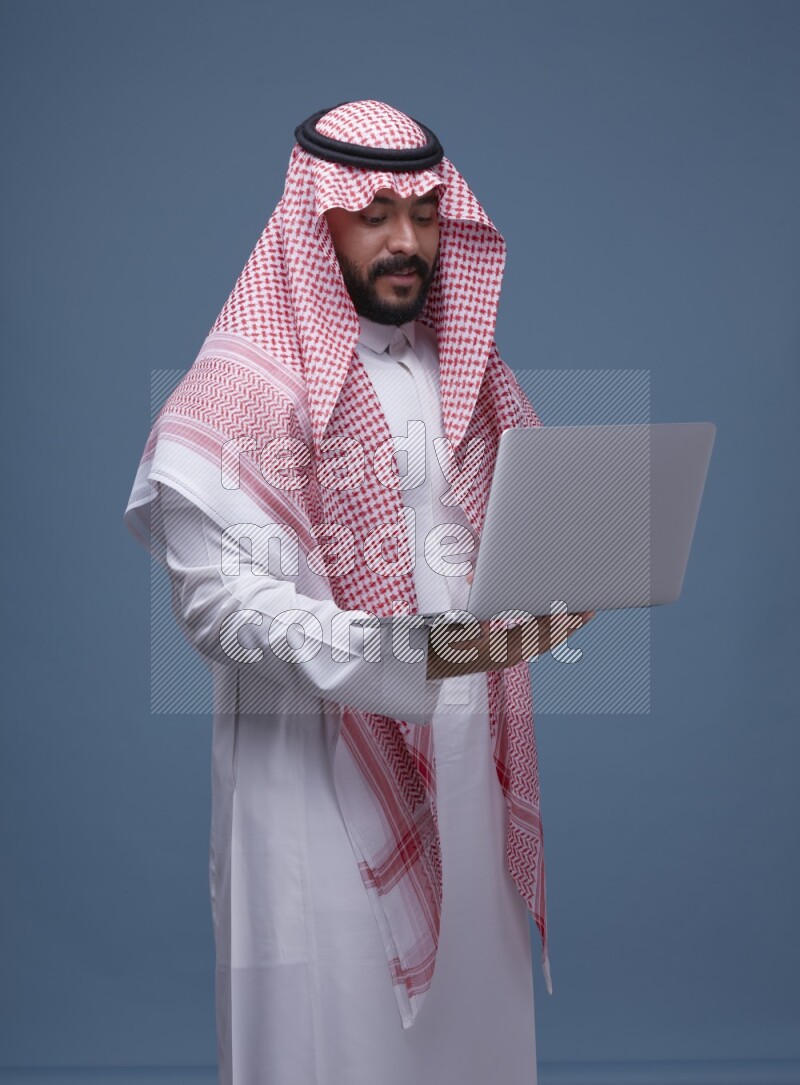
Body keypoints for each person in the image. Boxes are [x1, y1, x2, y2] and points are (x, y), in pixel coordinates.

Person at [125, 100, 592, 1085]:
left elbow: (503, 541)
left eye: (423, 212)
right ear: (314, 217)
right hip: (314, 791)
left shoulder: (461, 376)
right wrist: (420, 653)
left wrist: (566, 583)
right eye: (372, 210)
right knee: (336, 1047)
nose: (405, 240)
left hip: (465, 772)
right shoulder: (241, 391)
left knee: (470, 1047)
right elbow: (221, 614)